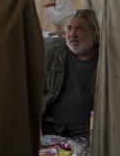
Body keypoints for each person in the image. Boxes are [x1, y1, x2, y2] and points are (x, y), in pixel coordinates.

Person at [41, 9, 99, 139]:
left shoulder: (104, 61)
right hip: (51, 127)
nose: (72, 34)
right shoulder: (55, 52)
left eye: (79, 29)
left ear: (94, 32)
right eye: (69, 28)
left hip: (86, 131)